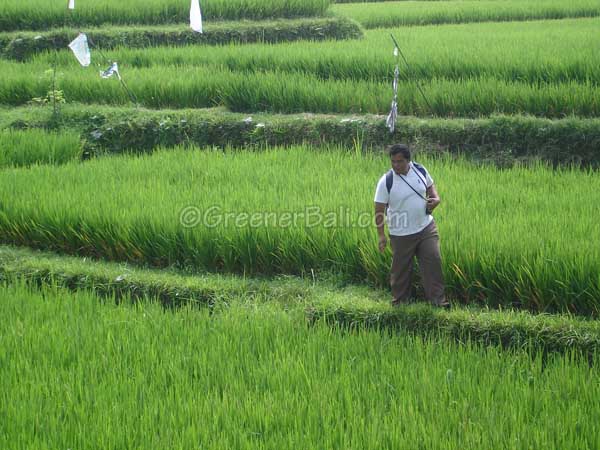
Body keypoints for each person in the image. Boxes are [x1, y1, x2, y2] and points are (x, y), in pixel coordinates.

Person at [374, 143, 448, 307]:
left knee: (433, 262)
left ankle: (438, 302)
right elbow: (379, 210)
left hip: (426, 227)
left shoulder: (420, 170)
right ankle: (400, 303)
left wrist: (436, 199)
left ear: (409, 161)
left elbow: (431, 188)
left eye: (399, 161)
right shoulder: (386, 181)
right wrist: (381, 235)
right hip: (401, 233)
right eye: (393, 161)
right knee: (401, 271)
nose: (395, 165)